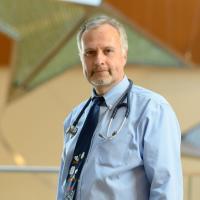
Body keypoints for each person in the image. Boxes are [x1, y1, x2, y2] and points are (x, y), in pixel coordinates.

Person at [57, 15, 183, 200]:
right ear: (82, 58)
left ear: (124, 55)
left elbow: (166, 188)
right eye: (90, 52)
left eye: (107, 51)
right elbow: (65, 185)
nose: (99, 60)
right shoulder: (75, 118)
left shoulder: (152, 110)